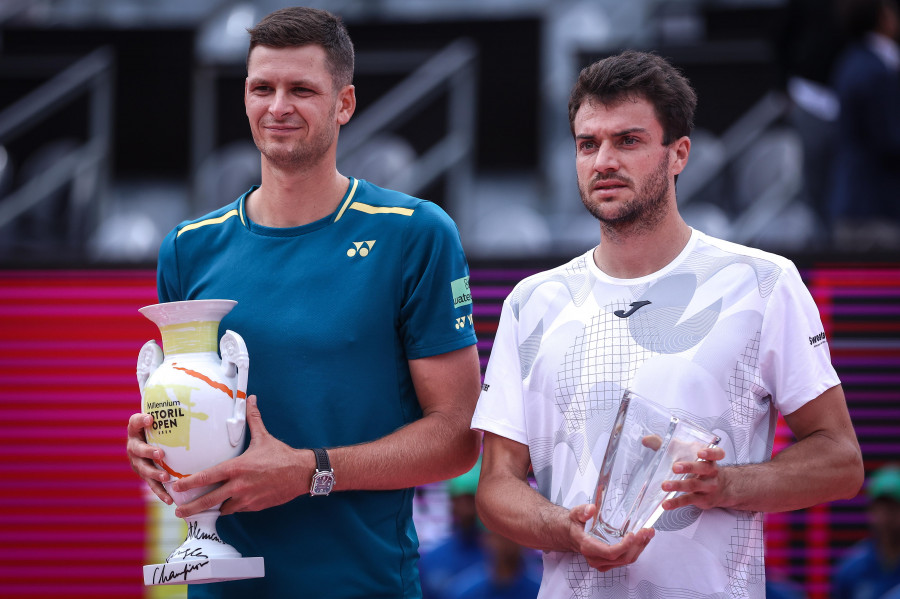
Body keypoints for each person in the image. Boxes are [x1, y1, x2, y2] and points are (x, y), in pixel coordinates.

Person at [471, 50, 864, 598]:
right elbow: (496, 487)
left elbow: (841, 461)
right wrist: (565, 529)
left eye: (627, 140)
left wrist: (725, 485)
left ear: (679, 153)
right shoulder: (531, 301)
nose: (604, 160)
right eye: (589, 144)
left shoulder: (763, 282)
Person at [125, 7, 482, 598]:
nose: (278, 106)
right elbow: (193, 407)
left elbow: (457, 435)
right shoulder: (188, 248)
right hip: (218, 587)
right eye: (262, 87)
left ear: (344, 104)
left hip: (363, 585)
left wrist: (311, 472)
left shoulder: (414, 233)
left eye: (302, 89)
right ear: (244, 97)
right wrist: (153, 443)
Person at [829, 0, 900, 251]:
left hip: (855, 203)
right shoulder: (876, 71)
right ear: (883, 17)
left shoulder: (852, 62)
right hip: (875, 209)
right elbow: (888, 139)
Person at [832, 464, 900, 598]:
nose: (886, 519)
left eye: (893, 509)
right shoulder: (851, 569)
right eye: (881, 509)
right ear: (871, 511)